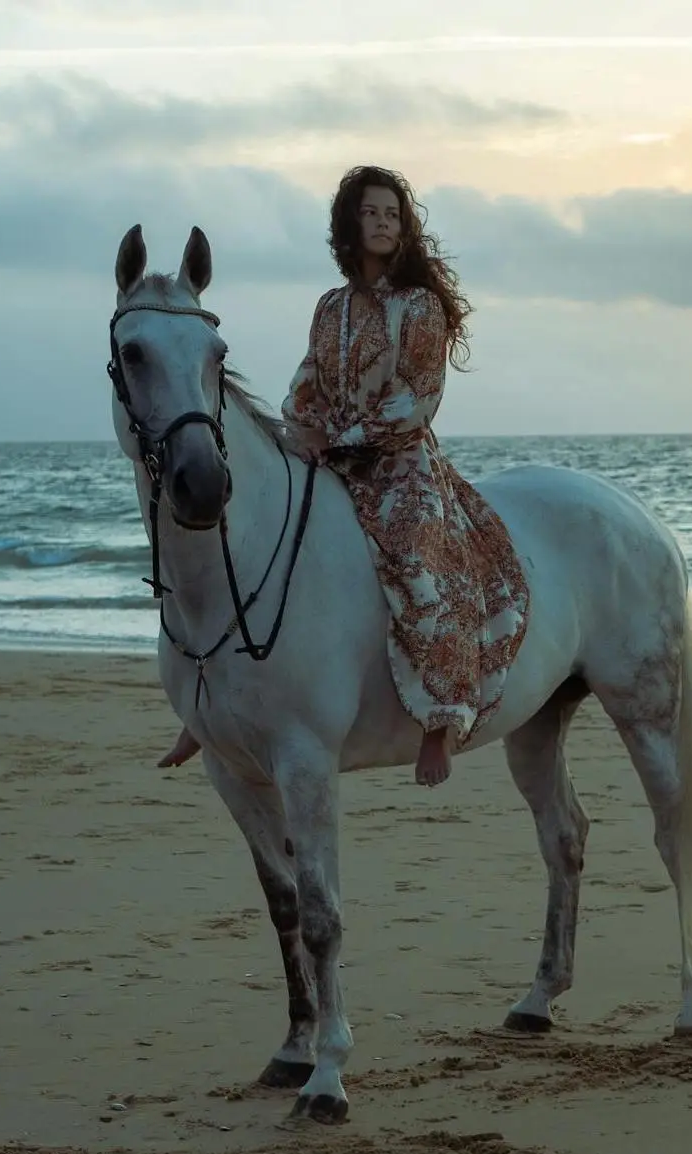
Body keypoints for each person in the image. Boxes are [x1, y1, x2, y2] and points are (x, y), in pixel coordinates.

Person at [158, 165, 530, 787]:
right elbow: (308, 380)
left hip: (399, 463)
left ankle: (441, 721)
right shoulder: (330, 307)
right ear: (349, 227)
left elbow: (417, 397)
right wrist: (297, 428)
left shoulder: (421, 308)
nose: (384, 223)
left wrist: (341, 437)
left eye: (393, 214)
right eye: (371, 213)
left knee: (421, 565)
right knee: (248, 547)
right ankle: (206, 709)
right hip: (327, 458)